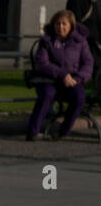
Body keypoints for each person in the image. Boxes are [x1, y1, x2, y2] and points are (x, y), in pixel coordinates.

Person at [27, 10, 93, 141]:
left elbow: (88, 63)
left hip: (72, 81)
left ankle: (63, 131)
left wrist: (77, 78)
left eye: (64, 24)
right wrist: (63, 74)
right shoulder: (46, 41)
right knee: (47, 94)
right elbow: (42, 62)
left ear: (71, 26)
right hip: (49, 80)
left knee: (79, 98)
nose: (60, 27)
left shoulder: (80, 42)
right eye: (57, 24)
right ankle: (33, 131)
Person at [65, 0, 101, 72]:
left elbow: (98, 22)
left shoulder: (94, 1)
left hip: (94, 43)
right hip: (83, 42)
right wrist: (89, 36)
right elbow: (75, 22)